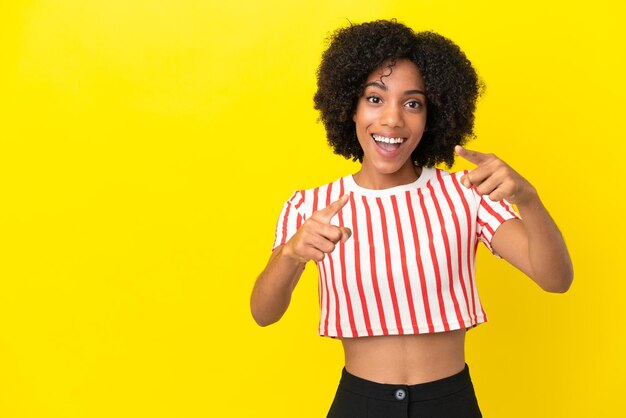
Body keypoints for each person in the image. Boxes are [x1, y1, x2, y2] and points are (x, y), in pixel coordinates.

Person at [250, 19, 573, 418]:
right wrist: (291, 254)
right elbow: (263, 314)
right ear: (349, 106)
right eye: (375, 99)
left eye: (412, 103)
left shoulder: (465, 194)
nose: (392, 119)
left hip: (450, 403)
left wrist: (529, 198)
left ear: (432, 114)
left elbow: (555, 280)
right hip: (359, 404)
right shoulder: (310, 207)